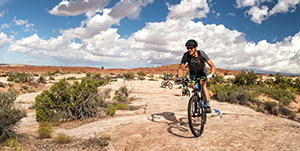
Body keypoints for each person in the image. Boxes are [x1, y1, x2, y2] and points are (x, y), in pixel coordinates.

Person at [177, 39, 216, 113]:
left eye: (191, 48)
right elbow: (180, 68)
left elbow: (212, 66)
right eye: (187, 48)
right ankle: (195, 103)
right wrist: (179, 77)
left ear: (195, 47)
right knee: (194, 87)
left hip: (202, 72)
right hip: (193, 73)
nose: (189, 50)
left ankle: (207, 104)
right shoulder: (186, 55)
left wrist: (211, 74)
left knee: (202, 85)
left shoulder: (201, 54)